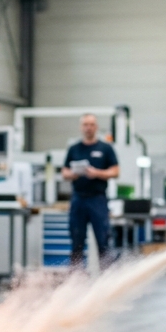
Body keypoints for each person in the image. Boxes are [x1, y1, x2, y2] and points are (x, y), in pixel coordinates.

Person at [62, 114, 120, 266]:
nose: (88, 128)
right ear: (81, 127)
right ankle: (76, 281)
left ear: (96, 127)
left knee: (103, 242)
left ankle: (106, 282)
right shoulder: (74, 149)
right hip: (78, 199)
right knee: (76, 242)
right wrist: (74, 174)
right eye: (85, 124)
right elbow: (64, 172)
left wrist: (97, 173)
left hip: (97, 200)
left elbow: (115, 171)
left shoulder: (106, 149)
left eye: (91, 124)